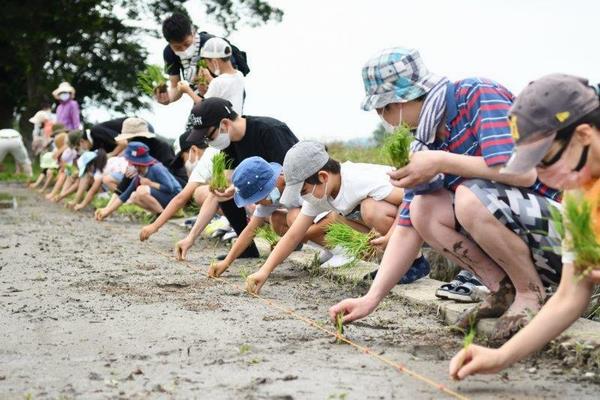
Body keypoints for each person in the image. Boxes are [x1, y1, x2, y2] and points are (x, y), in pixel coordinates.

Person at [328, 47, 561, 339]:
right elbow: (406, 228)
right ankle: (502, 288)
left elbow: (524, 172)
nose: (383, 118)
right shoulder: (423, 143)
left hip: (560, 232)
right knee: (423, 207)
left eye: (384, 107)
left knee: (468, 196)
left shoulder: (476, 95)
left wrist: (442, 161)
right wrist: (371, 299)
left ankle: (530, 294)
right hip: (522, 240)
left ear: (406, 96)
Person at [449, 74, 600, 380]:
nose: (542, 177)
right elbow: (571, 294)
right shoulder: (578, 197)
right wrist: (501, 356)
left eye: (545, 160)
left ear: (583, 135)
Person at [244, 141, 430, 294]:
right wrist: (264, 271)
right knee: (345, 216)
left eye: (303, 190)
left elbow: (410, 198)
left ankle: (415, 261)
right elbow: (293, 236)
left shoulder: (358, 180)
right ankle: (395, 262)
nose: (303, 196)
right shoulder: (318, 193)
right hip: (395, 221)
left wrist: (390, 235)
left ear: (323, 176)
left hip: (424, 210)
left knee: (371, 209)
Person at [171, 97, 299, 261]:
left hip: (294, 197)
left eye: (208, 136)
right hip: (264, 201)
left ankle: (293, 237)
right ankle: (246, 249)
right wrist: (191, 237)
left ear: (224, 124)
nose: (208, 143)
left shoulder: (269, 130)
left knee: (279, 216)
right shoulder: (228, 145)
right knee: (225, 194)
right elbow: (218, 195)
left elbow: (294, 177)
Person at [208, 156, 335, 278]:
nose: (256, 203)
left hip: (342, 221)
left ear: (272, 185)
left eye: (257, 198)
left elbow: (332, 218)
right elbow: (249, 231)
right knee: (276, 219)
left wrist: (291, 239)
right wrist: (227, 262)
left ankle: (340, 250)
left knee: (293, 216)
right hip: (320, 223)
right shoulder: (273, 194)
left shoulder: (300, 186)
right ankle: (328, 248)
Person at [139, 131, 218, 242]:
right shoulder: (218, 149)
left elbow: (180, 198)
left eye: (183, 159)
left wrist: (154, 226)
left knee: (201, 192)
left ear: (193, 150)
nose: (185, 164)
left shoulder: (206, 158)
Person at [157, 13, 249, 106]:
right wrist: (168, 98)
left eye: (186, 44)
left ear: (193, 32)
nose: (184, 50)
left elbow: (231, 80)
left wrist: (209, 80)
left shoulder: (212, 44)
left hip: (228, 95)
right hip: (201, 96)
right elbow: (175, 86)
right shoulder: (169, 53)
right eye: (177, 47)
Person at [95, 142, 182, 221]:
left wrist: (150, 184)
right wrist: (107, 211)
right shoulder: (139, 173)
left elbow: (170, 188)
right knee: (133, 196)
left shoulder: (156, 168)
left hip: (175, 196)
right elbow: (125, 196)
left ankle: (163, 216)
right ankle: (162, 213)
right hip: (164, 196)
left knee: (141, 190)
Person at [112, 117, 188, 186]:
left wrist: (142, 170)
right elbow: (128, 177)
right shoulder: (134, 149)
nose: (130, 141)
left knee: (141, 188)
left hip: (176, 182)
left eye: (132, 139)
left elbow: (166, 173)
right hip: (156, 182)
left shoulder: (161, 147)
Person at [178, 37, 245, 114]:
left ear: (214, 62)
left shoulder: (217, 83)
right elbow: (224, 86)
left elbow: (203, 106)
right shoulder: (239, 75)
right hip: (235, 122)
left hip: (221, 125)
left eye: (207, 62)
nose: (207, 65)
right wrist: (209, 78)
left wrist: (187, 90)